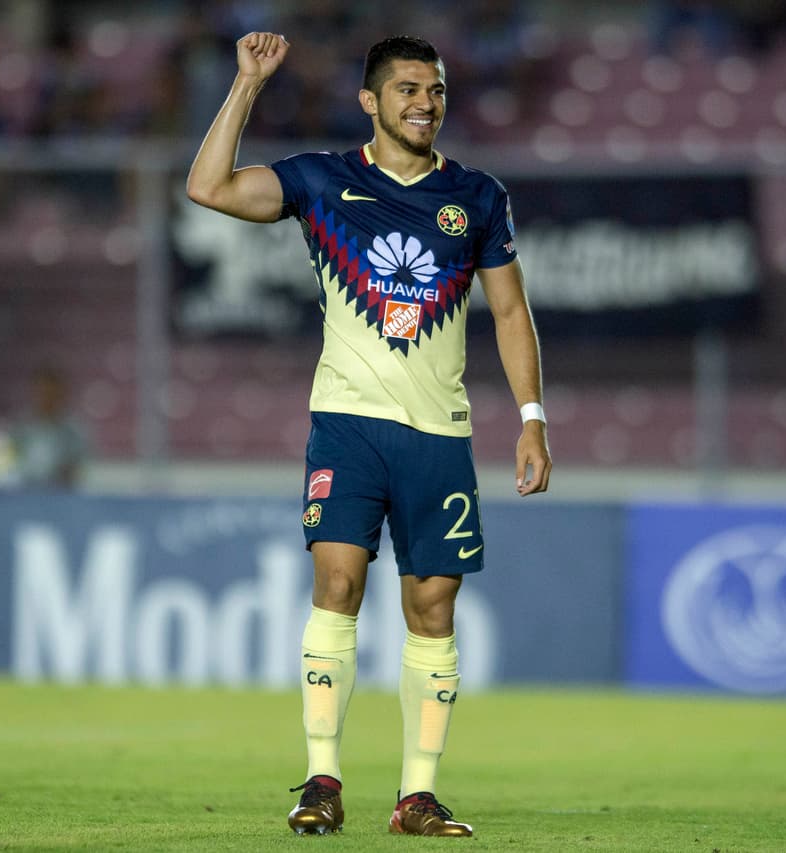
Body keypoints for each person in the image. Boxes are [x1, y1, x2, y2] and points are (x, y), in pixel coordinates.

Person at [186, 32, 551, 838]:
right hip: (348, 425)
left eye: (436, 90)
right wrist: (247, 85)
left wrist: (531, 419)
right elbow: (207, 186)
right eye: (409, 89)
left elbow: (511, 310)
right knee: (339, 587)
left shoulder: (478, 197)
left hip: (438, 434)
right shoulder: (323, 181)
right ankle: (322, 779)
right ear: (371, 101)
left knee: (432, 606)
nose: (425, 102)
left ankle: (416, 796)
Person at [0, 365, 90, 491]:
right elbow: (1, 468)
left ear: (61, 394)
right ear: (34, 392)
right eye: (43, 392)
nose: (47, 398)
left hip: (59, 497)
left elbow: (79, 472)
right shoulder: (17, 428)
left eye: (52, 393)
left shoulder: (73, 432)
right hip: (22, 496)